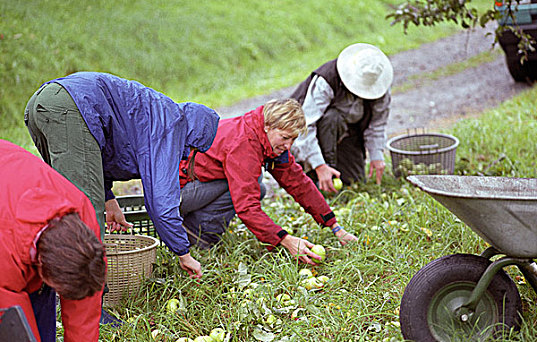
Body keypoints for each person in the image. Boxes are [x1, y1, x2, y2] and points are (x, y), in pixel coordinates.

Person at [24, 72, 219, 279]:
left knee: (64, 202)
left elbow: (98, 155)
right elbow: (162, 206)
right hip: (72, 106)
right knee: (86, 210)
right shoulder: (170, 128)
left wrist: (109, 200)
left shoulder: (159, 113)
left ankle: (50, 279)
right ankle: (92, 304)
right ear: (195, 138)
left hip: (41, 103)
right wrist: (183, 253)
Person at [178, 99, 358, 264]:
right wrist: (285, 239)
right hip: (175, 193)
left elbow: (298, 183)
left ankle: (196, 226)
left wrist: (334, 226)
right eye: (285, 138)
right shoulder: (245, 144)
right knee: (248, 183)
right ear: (268, 127)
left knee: (255, 184)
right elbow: (247, 207)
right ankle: (196, 233)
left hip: (197, 186)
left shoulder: (265, 139)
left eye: (293, 139)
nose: (288, 146)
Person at [0, 139, 106, 342]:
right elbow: (12, 321)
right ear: (41, 265)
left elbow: (85, 305)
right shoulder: (5, 254)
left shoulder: (83, 217)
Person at [289, 43, 393, 192]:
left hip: (347, 134)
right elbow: (305, 126)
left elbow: (377, 125)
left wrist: (377, 156)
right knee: (333, 118)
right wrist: (319, 165)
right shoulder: (327, 80)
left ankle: (333, 172)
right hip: (314, 134)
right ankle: (314, 173)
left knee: (354, 180)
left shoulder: (379, 85)